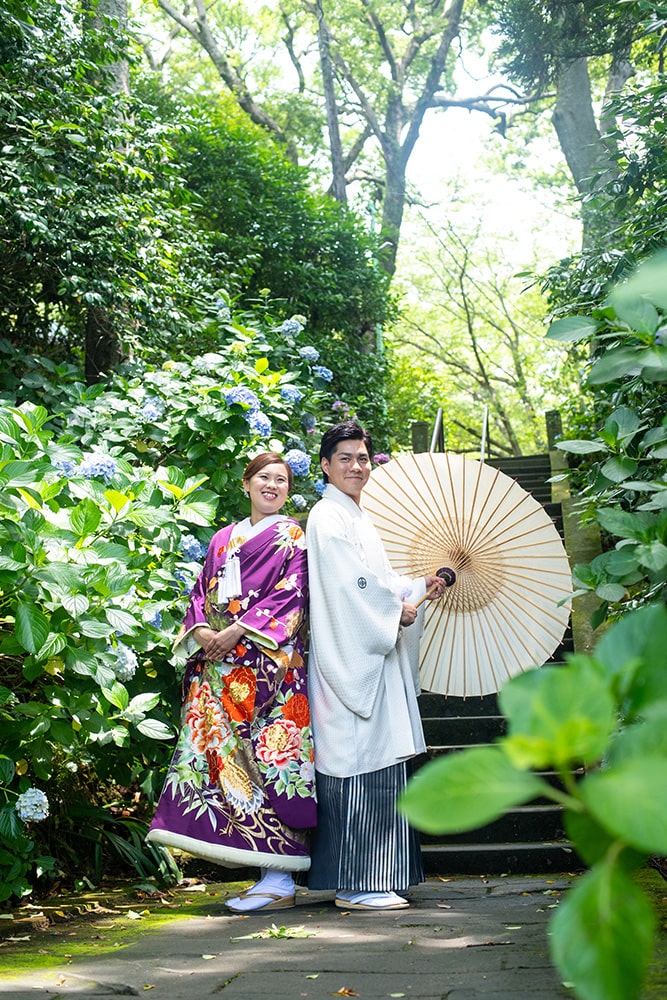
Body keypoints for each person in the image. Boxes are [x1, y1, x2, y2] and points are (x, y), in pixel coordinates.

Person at [147, 452, 315, 913]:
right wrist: (202, 632)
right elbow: (200, 591)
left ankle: (281, 875)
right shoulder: (223, 537)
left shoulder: (293, 536)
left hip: (268, 670)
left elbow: (293, 593)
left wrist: (237, 631)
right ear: (246, 483)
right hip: (219, 666)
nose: (273, 486)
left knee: (271, 761)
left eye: (281, 480)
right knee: (226, 761)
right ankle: (266, 873)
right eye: (264, 477)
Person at [305, 420, 446, 911]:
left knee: (378, 762)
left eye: (363, 457)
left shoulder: (357, 517)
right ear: (325, 465)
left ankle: (373, 878)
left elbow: (376, 581)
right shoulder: (327, 516)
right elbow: (349, 587)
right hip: (349, 664)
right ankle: (355, 884)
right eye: (345, 457)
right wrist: (394, 607)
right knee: (357, 761)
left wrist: (416, 586)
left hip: (371, 659)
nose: (356, 466)